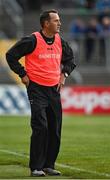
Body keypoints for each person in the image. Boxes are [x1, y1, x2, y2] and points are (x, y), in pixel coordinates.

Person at [6, 9, 76, 177]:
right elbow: (10, 55)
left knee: (55, 128)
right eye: (56, 20)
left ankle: (48, 165)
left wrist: (63, 75)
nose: (59, 23)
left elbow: (70, 60)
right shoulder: (32, 40)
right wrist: (22, 74)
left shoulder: (60, 41)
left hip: (54, 90)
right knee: (40, 127)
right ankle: (36, 167)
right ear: (46, 23)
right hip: (36, 89)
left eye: (59, 20)